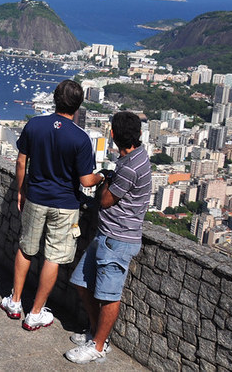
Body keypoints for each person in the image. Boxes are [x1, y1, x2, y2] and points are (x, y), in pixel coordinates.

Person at [0, 79, 105, 330]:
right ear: (78, 106)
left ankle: (15, 302)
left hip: (35, 197)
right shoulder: (81, 138)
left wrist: (20, 190)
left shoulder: (35, 125)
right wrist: (104, 176)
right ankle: (35, 313)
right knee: (53, 258)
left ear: (55, 98)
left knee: (26, 248)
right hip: (66, 205)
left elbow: (21, 163)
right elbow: (86, 181)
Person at [65, 111, 151, 364]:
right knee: (81, 282)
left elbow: (104, 200)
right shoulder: (134, 158)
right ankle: (95, 333)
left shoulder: (130, 167)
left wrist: (105, 176)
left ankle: (99, 346)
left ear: (112, 135)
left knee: (109, 296)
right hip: (107, 235)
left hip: (118, 239)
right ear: (138, 135)